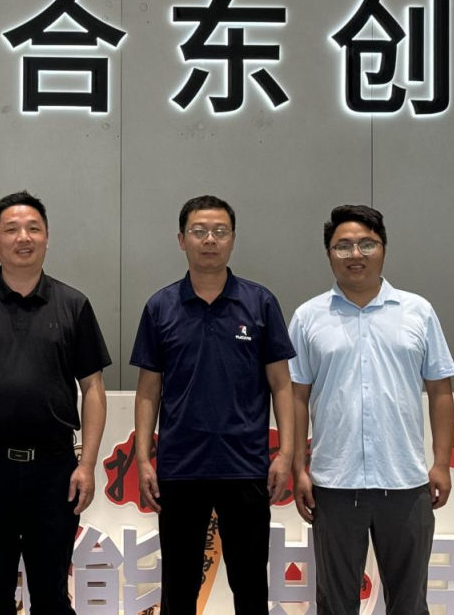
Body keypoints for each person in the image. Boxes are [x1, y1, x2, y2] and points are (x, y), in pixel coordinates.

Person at [0, 190, 111, 615]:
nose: (23, 237)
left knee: (52, 595)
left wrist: (87, 465)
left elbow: (93, 389)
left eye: (33, 228)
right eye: (11, 229)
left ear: (47, 238)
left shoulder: (73, 304)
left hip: (54, 470)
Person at [130, 195, 296, 615]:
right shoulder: (160, 306)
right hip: (181, 467)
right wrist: (144, 459)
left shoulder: (260, 303)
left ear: (233, 239)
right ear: (181, 239)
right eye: (199, 231)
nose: (210, 240)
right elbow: (148, 390)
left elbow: (281, 385)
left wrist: (286, 454)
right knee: (179, 587)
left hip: (246, 465)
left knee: (250, 586)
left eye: (220, 232)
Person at [289, 205, 454, 615]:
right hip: (334, 482)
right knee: (335, 603)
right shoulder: (308, 317)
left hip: (405, 482)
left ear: (383, 248)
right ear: (328, 253)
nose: (355, 254)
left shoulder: (418, 311)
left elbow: (440, 390)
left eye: (367, 244)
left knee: (409, 602)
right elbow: (295, 397)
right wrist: (297, 468)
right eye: (343, 246)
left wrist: (441, 463)